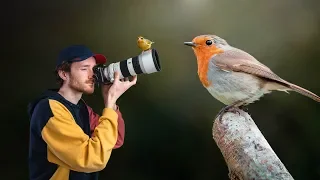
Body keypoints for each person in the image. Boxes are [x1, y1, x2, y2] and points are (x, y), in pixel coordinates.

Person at [27, 45, 137, 180]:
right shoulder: (49, 110)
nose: (93, 75)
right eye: (84, 69)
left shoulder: (82, 109)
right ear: (64, 74)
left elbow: (115, 139)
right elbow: (92, 159)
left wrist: (111, 103)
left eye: (94, 69)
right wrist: (109, 104)